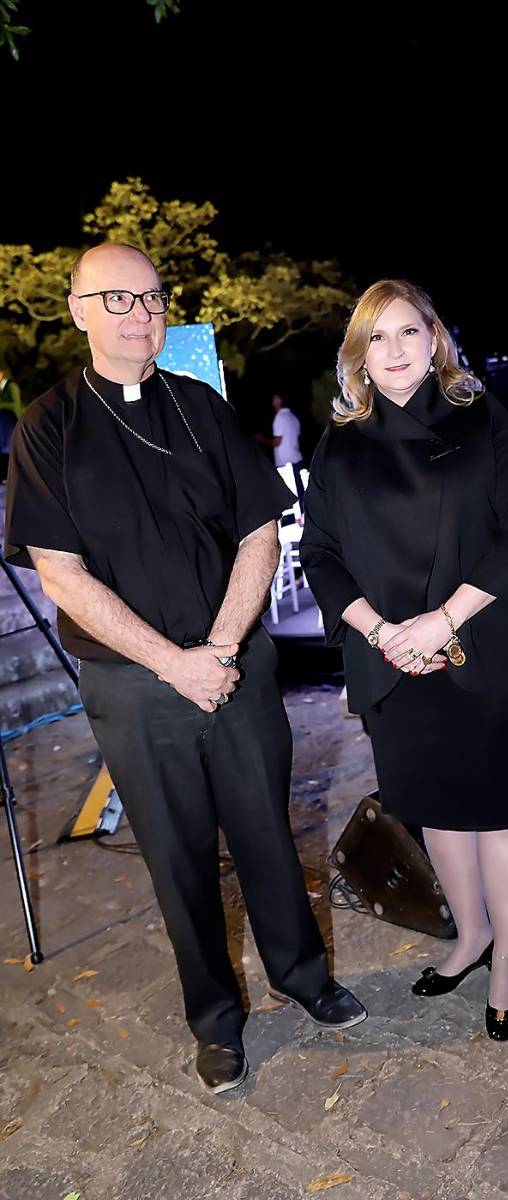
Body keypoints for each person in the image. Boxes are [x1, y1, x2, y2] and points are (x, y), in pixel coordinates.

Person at [4, 242, 366, 1095]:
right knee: (176, 854)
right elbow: (60, 573)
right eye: (119, 300)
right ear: (78, 309)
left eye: (154, 299)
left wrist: (223, 649)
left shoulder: (200, 405)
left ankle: (304, 977)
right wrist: (176, 663)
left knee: (267, 835)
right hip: (133, 683)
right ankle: (216, 1019)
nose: (142, 315)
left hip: (232, 663)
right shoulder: (48, 427)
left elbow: (258, 532)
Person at [300, 280, 508, 1041]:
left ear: (435, 338)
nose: (394, 350)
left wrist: (441, 620)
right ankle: (469, 935)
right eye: (376, 339)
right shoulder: (339, 443)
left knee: (498, 812)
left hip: (481, 645)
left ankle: (506, 956)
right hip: (394, 662)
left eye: (408, 332)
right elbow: (320, 555)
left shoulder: (483, 419)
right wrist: (382, 632)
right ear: (359, 356)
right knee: (439, 810)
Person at [270, 392, 305, 510]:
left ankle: (298, 518)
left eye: (275, 399)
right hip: (296, 458)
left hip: (285, 462)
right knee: (300, 493)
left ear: (280, 401)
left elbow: (277, 442)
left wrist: (261, 440)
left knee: (292, 496)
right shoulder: (293, 417)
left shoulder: (280, 417)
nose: (273, 402)